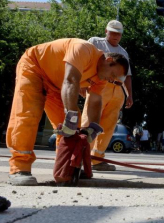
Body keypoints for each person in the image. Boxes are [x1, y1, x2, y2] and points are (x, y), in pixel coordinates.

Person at [6, 38, 129, 186]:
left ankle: (67, 167)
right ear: (109, 60)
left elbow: (95, 102)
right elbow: (71, 80)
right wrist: (70, 115)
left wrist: (92, 128)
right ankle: (19, 168)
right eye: (113, 75)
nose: (112, 80)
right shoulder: (83, 49)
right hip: (34, 67)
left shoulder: (101, 77)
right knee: (27, 114)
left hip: (57, 85)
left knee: (72, 125)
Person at [81, 20, 133, 171]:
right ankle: (82, 156)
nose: (115, 36)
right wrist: (83, 83)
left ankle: (97, 158)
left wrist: (129, 95)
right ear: (106, 31)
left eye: (119, 33)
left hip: (117, 91)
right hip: (99, 86)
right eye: (113, 32)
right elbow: (85, 61)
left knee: (108, 126)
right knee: (89, 122)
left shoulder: (123, 52)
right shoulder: (95, 42)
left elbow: (127, 76)